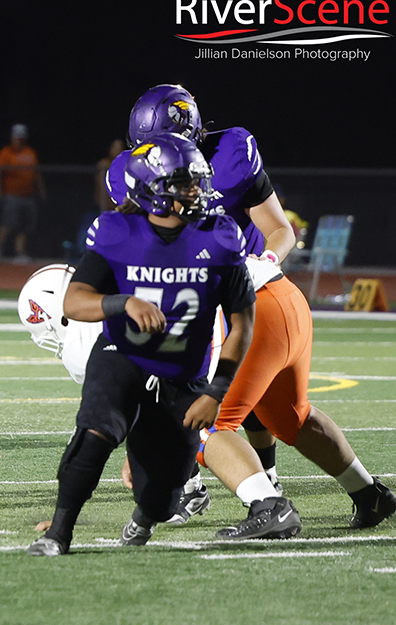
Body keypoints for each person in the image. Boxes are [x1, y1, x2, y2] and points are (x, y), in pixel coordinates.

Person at [27, 134, 257, 555]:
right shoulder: (118, 232)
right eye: (186, 183)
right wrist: (123, 302)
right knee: (95, 429)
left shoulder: (220, 236)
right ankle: (58, 532)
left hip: (182, 375)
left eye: (198, 182)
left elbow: (242, 324)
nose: (198, 192)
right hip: (124, 356)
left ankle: (144, 518)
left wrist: (216, 391)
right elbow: (74, 302)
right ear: (153, 189)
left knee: (163, 496)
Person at [106, 84, 295, 514]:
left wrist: (261, 262)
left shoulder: (231, 153)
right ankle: (187, 481)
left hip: (239, 291)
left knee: (235, 398)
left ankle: (261, 477)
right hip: (184, 290)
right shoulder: (128, 172)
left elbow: (281, 230)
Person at [197, 257, 396, 539]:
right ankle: (369, 494)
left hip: (249, 310)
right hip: (286, 297)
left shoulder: (133, 251)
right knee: (291, 416)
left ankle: (270, 508)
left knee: (207, 424)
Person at [0, 123, 45, 263]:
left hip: (28, 195)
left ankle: (19, 252)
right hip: (12, 195)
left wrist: (41, 190)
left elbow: (36, 173)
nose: (19, 140)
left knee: (25, 226)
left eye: (21, 138)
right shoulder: (6, 153)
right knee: (8, 224)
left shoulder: (30, 152)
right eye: (17, 138)